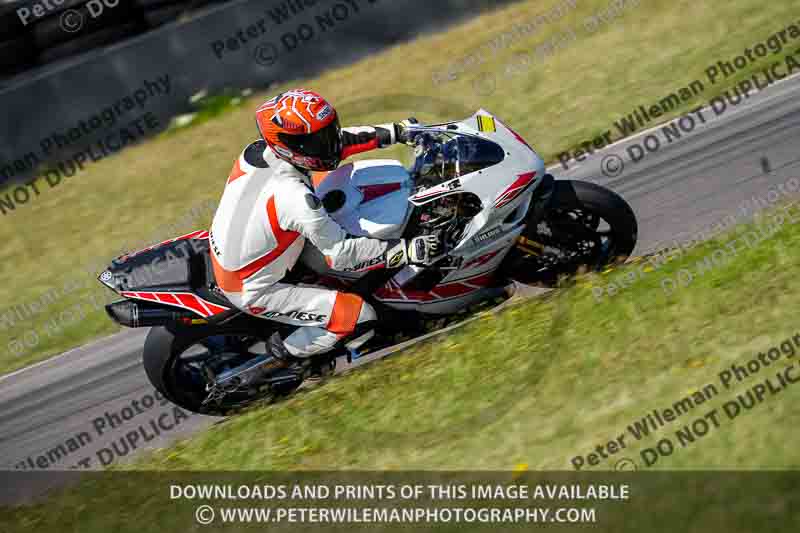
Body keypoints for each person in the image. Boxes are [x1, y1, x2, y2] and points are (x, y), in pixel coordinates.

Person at [209, 89, 440, 370]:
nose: (329, 144)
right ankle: (280, 360)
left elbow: (339, 143)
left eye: (328, 132)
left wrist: (398, 131)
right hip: (252, 286)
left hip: (243, 243)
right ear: (289, 145)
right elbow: (341, 254)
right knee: (357, 317)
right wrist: (405, 249)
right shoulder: (293, 197)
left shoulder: (257, 151)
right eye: (319, 140)